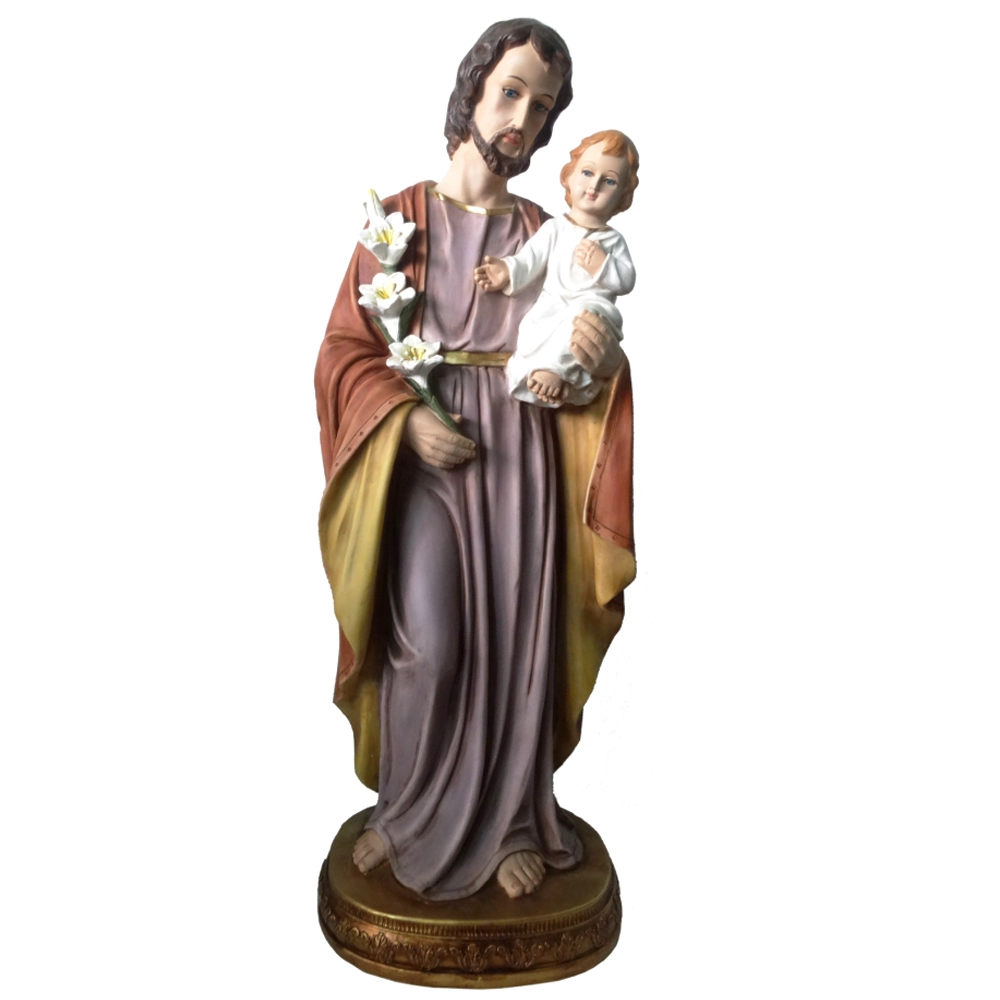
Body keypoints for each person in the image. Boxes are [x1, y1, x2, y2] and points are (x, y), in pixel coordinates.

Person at [315, 19, 636, 901]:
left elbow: (587, 350)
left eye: (541, 107)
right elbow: (343, 350)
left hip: (521, 460)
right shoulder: (400, 221)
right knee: (431, 643)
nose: (521, 119)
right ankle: (403, 815)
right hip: (426, 457)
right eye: (511, 92)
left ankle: (509, 826)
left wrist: (598, 355)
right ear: (474, 92)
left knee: (514, 648)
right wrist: (400, 419)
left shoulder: (545, 231)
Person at [474, 130, 639, 407]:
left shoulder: (612, 240)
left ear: (622, 196)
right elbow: (530, 259)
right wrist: (507, 270)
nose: (594, 185)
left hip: (592, 306)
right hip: (553, 301)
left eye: (609, 181)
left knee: (579, 323)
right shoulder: (555, 228)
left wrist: (602, 264)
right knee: (532, 325)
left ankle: (556, 373)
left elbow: (627, 280)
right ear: (569, 175)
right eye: (587, 173)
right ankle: (533, 374)